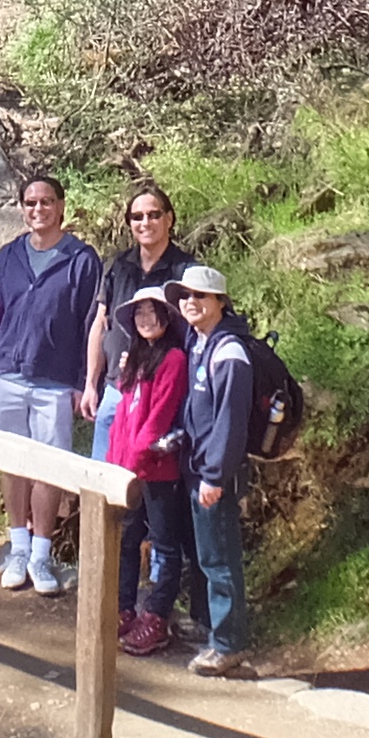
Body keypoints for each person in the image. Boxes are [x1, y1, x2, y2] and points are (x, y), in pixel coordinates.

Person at [82, 176, 206, 637]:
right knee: (114, 505)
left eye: (154, 214)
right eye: (137, 216)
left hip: (166, 398)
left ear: (170, 219)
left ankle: (160, 609)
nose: (146, 222)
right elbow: (99, 323)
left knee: (161, 515)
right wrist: (92, 383)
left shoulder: (186, 268)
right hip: (119, 389)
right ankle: (119, 600)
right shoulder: (118, 267)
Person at [0, 175, 102, 596]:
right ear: (22, 208)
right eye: (31, 203)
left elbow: (93, 322)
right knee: (12, 464)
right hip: (7, 376)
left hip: (55, 382)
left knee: (49, 469)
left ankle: (41, 554)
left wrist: (83, 383)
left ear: (61, 207)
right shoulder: (7, 257)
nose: (39, 210)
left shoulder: (81, 259)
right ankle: (17, 546)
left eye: (47, 202)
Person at [164, 264, 253, 675]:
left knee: (219, 559)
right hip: (196, 468)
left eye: (200, 296)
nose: (191, 303)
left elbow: (231, 424)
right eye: (185, 296)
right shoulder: (199, 342)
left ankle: (228, 644)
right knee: (209, 556)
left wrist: (215, 476)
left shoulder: (229, 352)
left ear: (220, 302)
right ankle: (218, 632)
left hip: (213, 475)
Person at [104, 287, 189, 655]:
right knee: (126, 540)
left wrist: (135, 462)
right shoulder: (136, 359)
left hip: (158, 468)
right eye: (139, 313)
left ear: (167, 318)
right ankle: (123, 607)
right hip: (129, 468)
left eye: (152, 312)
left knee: (166, 544)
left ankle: (156, 616)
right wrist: (115, 461)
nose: (145, 319)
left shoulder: (173, 359)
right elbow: (124, 415)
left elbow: (159, 417)